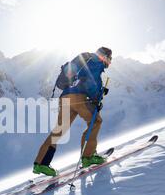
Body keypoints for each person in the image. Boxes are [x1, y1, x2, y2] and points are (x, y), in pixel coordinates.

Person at [33, 47, 112, 177]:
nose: (109, 63)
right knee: (96, 121)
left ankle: (41, 163)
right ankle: (88, 157)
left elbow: (82, 78)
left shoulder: (86, 59)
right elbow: (90, 83)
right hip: (78, 98)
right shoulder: (96, 62)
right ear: (104, 56)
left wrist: (100, 92)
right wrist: (97, 97)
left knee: (59, 130)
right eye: (109, 59)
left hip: (65, 97)